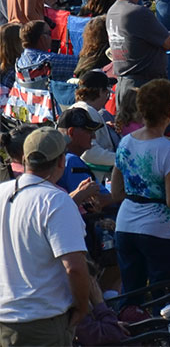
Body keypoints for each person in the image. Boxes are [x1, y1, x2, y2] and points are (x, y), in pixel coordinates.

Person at [0, 128, 94, 345]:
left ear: (24, 159)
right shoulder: (56, 200)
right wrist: (82, 308)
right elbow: (76, 268)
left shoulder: (2, 192)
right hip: (41, 321)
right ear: (62, 161)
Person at [106, 78, 170, 294]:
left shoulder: (125, 142)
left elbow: (116, 192)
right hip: (158, 230)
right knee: (163, 295)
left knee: (131, 293)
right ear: (169, 112)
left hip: (126, 224)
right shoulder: (169, 151)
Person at [107, 0, 170, 120]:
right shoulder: (138, 12)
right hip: (144, 87)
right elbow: (169, 43)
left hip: (124, 84)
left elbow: (139, 36)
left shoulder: (113, 11)